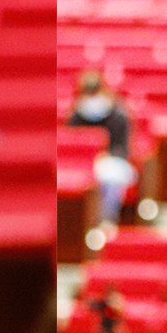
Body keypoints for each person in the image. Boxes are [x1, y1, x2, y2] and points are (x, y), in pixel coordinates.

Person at [67, 70, 136, 225]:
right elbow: (72, 146)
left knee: (110, 177)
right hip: (83, 165)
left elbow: (123, 149)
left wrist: (104, 157)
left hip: (113, 161)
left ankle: (106, 220)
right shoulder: (77, 116)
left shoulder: (118, 115)